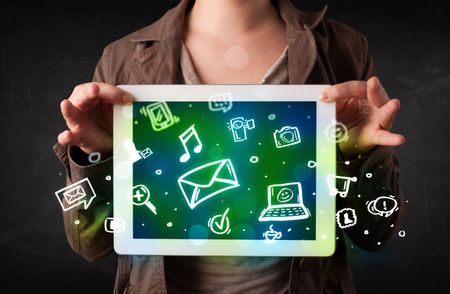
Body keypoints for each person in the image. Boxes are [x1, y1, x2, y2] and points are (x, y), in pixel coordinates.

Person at [53, 0, 405, 293]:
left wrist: (359, 154)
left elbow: (375, 233)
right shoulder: (122, 59)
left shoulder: (342, 47)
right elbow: (90, 245)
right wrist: (96, 156)